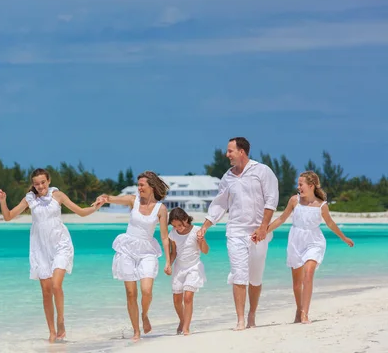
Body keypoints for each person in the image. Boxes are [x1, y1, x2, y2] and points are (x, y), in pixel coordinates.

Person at [0, 168, 104, 343]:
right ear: (33, 184)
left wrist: (96, 206)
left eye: (43, 182)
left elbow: (81, 212)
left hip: (60, 245)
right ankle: (52, 332)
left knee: (56, 285)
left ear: (48, 181)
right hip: (40, 249)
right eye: (36, 184)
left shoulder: (57, 195)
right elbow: (8, 217)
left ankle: (60, 320)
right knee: (46, 293)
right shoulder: (29, 199)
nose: (40, 186)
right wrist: (3, 201)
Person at [197, 137, 279, 331]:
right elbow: (220, 204)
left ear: (241, 151)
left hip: (259, 233)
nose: (227, 155)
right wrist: (205, 226)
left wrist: (263, 227)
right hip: (235, 231)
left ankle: (252, 314)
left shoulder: (262, 171)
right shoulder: (228, 177)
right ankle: (240, 319)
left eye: (230, 151)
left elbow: (271, 200)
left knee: (255, 278)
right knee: (239, 274)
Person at [267, 171, 354, 324]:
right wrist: (263, 231)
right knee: (296, 284)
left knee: (308, 273)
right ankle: (299, 309)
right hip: (296, 241)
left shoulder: (322, 205)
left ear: (311, 185)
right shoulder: (295, 201)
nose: (298, 187)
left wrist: (343, 237)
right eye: (298, 184)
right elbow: (281, 218)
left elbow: (331, 224)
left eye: (301, 184)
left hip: (314, 241)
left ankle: (305, 314)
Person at [95, 171, 171, 341]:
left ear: (151, 186)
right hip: (127, 248)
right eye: (138, 185)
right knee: (130, 293)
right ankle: (136, 330)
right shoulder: (132, 200)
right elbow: (111, 198)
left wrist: (168, 261)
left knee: (146, 290)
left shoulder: (161, 209)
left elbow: (165, 237)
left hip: (147, 250)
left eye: (142, 185)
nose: (139, 188)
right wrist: (103, 197)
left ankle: (144, 314)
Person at [166, 207, 208, 336]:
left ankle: (186, 328)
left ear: (185, 219)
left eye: (179, 225)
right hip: (179, 268)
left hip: (193, 267)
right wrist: (168, 264)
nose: (177, 228)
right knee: (177, 299)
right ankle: (182, 320)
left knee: (188, 297)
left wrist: (201, 240)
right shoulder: (173, 233)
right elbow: (174, 252)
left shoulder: (197, 231)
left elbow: (205, 251)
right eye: (174, 226)